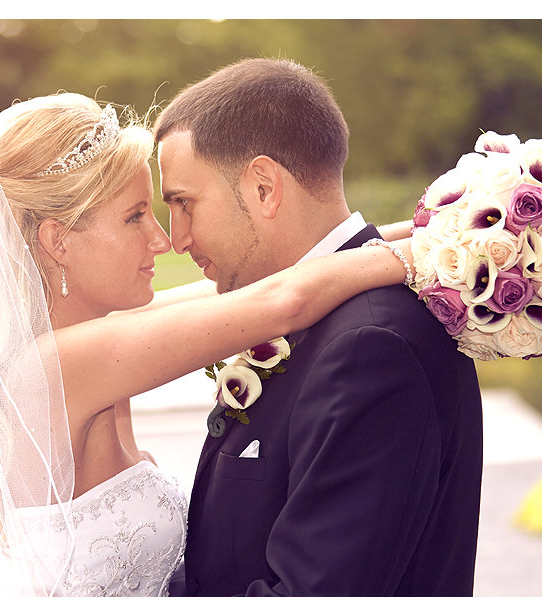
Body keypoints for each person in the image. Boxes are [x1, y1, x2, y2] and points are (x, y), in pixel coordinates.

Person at [0, 91, 417, 596]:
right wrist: (438, 252)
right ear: (59, 241)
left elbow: (279, 280)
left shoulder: (91, 342)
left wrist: (429, 223)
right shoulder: (55, 366)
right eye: (134, 217)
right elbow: (283, 302)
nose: (162, 239)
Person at [154, 58, 484, 596]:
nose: (178, 238)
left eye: (184, 204)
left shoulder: (371, 347)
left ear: (264, 188)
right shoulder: (310, 312)